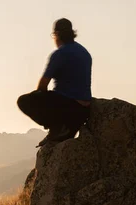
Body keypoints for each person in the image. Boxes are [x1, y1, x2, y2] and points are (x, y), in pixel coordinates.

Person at [17, 18, 92, 147]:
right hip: (83, 110)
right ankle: (64, 128)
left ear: (56, 35)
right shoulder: (84, 52)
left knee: (24, 101)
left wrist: (42, 102)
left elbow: (42, 86)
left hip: (66, 108)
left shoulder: (59, 54)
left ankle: (57, 127)